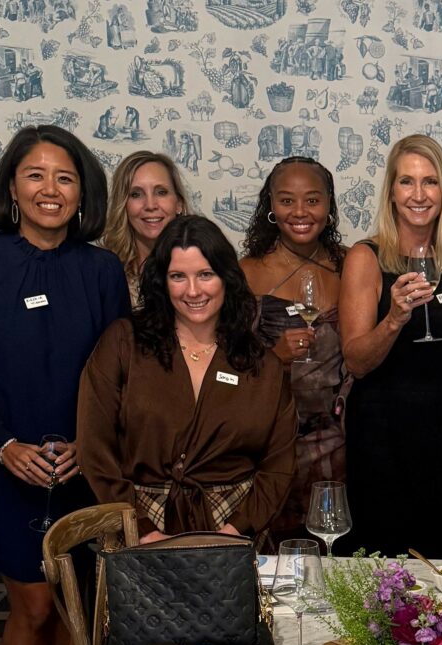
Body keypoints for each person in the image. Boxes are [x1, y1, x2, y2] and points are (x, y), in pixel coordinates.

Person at [0, 125, 130, 645]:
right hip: (8, 463)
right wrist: (1, 443)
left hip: (83, 463)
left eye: (64, 177)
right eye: (35, 174)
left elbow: (118, 371)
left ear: (82, 192)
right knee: (32, 603)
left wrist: (92, 443)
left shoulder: (101, 269)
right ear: (12, 186)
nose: (50, 189)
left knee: (76, 598)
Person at [77, 214, 296, 541]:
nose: (193, 291)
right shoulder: (123, 344)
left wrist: (233, 533)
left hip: (236, 533)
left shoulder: (262, 366)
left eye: (205, 274)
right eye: (178, 276)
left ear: (226, 278)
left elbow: (279, 466)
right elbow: (94, 450)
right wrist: (143, 531)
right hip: (135, 529)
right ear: (162, 282)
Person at [340, 135, 442, 556]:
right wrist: (394, 318)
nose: (419, 194)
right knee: (382, 561)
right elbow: (356, 361)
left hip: (440, 432)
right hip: (381, 435)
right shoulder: (366, 257)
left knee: (440, 558)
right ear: (392, 193)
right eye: (407, 182)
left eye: (430, 182)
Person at [239, 158, 348, 543]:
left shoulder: (352, 265)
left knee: (336, 550)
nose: (300, 212)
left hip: (340, 443)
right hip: (273, 441)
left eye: (312, 200)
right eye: (287, 201)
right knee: (277, 552)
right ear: (270, 205)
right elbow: (225, 367)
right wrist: (273, 357)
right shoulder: (247, 272)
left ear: (329, 204)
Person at [100, 150, 190, 303]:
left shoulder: (205, 264)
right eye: (136, 194)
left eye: (161, 192)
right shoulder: (103, 271)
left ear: (179, 204)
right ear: (123, 205)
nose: (150, 205)